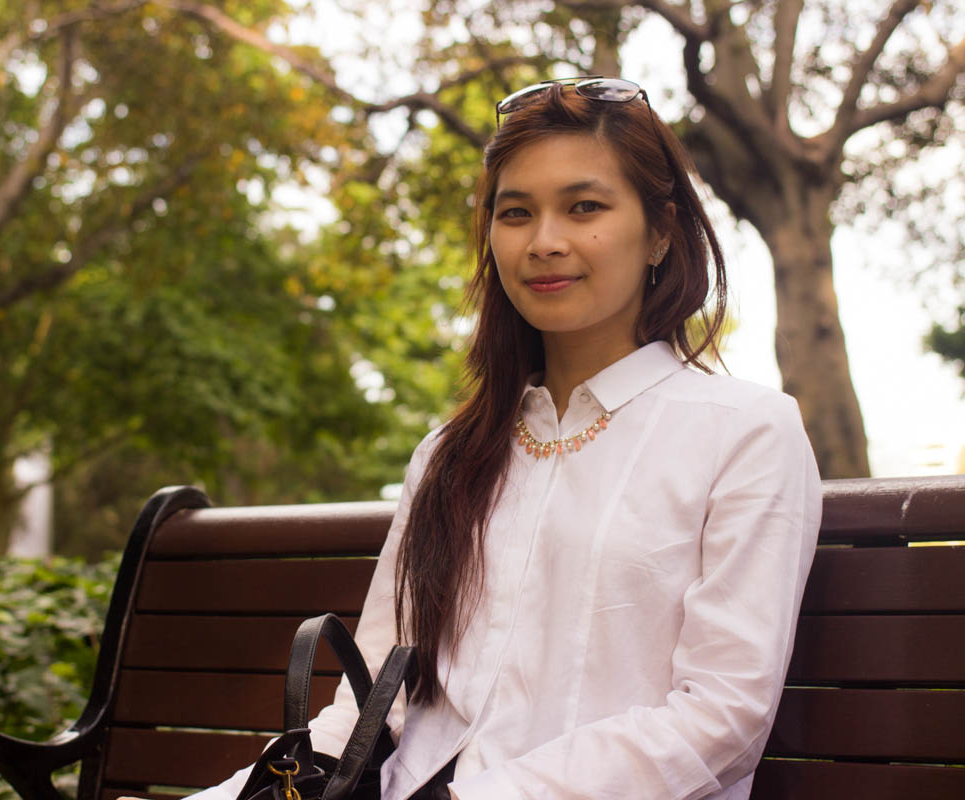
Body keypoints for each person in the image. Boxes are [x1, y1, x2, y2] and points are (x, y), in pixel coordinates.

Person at [166, 76, 821, 800]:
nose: (544, 242)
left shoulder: (747, 433)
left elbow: (722, 716)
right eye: (516, 213)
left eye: (584, 207)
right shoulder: (453, 453)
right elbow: (370, 695)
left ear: (661, 230)